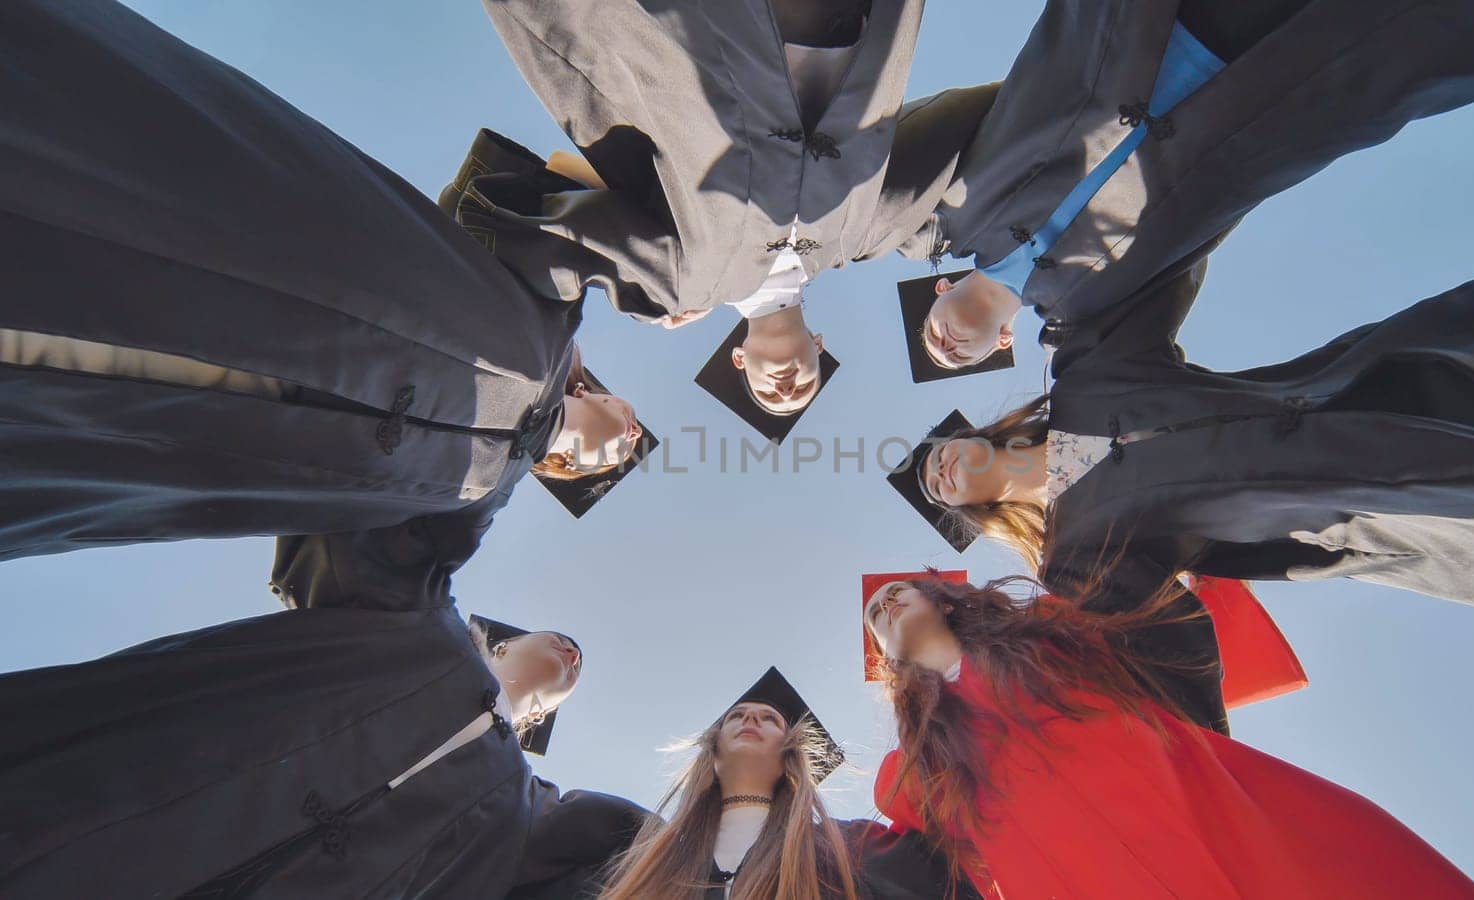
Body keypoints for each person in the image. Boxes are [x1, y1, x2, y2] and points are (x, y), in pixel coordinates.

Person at [0, 0, 639, 563]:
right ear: (601, 394)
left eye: (607, 462)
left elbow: (369, 592)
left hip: (195, 438)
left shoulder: (470, 514)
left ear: (567, 471)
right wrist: (656, 274)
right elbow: (518, 206)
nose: (626, 436)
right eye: (627, 420)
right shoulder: (552, 323)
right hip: (275, 264)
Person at [0, 484, 635, 898]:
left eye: (575, 666)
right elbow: (398, 507)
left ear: (542, 718)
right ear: (501, 644)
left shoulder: (530, 818)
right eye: (558, 636)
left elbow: (640, 867)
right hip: (96, 794)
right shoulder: (408, 622)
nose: (571, 652)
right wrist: (543, 422)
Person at [909, 254, 1474, 628]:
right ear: (975, 516)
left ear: (970, 435)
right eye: (935, 491)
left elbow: (1160, 248)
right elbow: (1158, 649)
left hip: (1399, 378)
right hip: (1399, 505)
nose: (936, 473)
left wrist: (1012, 278)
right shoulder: (1073, 556)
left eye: (932, 459)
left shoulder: (1087, 375)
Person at [915, 0, 1474, 368]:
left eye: (930, 337)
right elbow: (1111, 412)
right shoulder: (1089, 316)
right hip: (1281, 88)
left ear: (939, 291)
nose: (945, 344)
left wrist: (798, 282)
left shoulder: (945, 210)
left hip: (1168, 22)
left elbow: (867, 177)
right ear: (1001, 344)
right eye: (956, 359)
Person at [477, 0, 995, 414]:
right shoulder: (865, 238)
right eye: (803, 391)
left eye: (769, 395)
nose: (787, 390)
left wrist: (641, 295)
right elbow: (967, 125)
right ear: (818, 345)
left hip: (705, 30)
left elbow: (529, 220)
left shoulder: (686, 281)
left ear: (739, 359)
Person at [862, 573, 1474, 899]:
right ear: (884, 656)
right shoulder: (910, 773)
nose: (886, 605)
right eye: (875, 615)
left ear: (941, 600)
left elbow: (1171, 638)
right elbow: (889, 875)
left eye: (896, 593)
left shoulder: (1047, 631)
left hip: (1229, 830)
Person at [596, 667, 977, 900]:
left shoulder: (849, 847)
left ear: (791, 755)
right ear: (711, 755)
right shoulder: (643, 852)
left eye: (770, 719)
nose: (751, 718)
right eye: (738, 716)